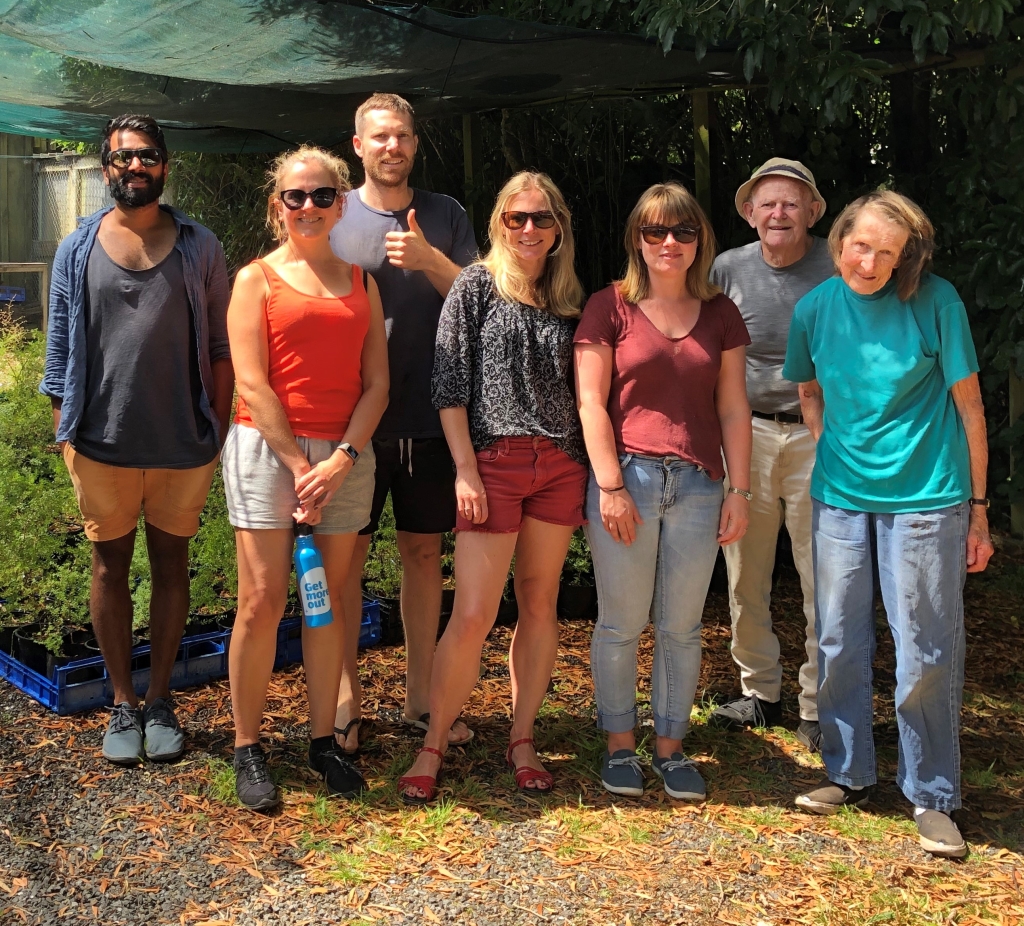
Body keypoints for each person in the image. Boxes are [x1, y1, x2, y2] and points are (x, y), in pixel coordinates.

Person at [783, 190, 994, 858]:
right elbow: (807, 388)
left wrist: (980, 512)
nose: (867, 260)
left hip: (929, 498)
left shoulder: (937, 302)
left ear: (906, 260)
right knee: (839, 637)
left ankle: (932, 794)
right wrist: (828, 440)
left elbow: (971, 410)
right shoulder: (814, 307)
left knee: (924, 649)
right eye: (858, 243)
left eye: (885, 252)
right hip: (840, 497)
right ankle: (847, 772)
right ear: (839, 236)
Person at [40, 114, 233, 766]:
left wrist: (219, 431)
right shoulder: (77, 247)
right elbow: (60, 346)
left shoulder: (200, 247)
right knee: (109, 567)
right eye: (122, 157)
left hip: (184, 443)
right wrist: (65, 430)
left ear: (164, 166)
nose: (134, 166)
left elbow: (219, 347)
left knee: (172, 568)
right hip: (101, 444)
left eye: (146, 156)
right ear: (106, 169)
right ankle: (121, 701)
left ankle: (160, 701)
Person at [397, 171, 587, 803]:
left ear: (558, 227)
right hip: (495, 463)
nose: (528, 229)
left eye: (540, 218)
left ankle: (523, 738)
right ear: (499, 224)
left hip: (559, 466)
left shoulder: (567, 297)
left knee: (539, 606)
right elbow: (447, 384)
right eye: (516, 218)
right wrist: (465, 470)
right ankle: (434, 740)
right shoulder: (475, 285)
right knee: (474, 612)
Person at [223, 146, 389, 810]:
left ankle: (323, 741)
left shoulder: (363, 282)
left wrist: (342, 458)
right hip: (269, 452)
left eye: (323, 196)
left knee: (327, 603)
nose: (310, 207)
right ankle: (247, 746)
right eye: (296, 197)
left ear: (340, 204)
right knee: (262, 602)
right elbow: (251, 381)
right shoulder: (254, 280)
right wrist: (299, 466)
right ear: (277, 207)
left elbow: (377, 383)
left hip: (346, 456)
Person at [575, 182, 752, 801]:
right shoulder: (610, 306)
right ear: (637, 241)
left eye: (682, 231)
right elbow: (591, 403)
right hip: (631, 478)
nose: (669, 243)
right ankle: (620, 746)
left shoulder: (720, 312)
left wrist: (740, 489)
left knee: (681, 627)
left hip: (702, 486)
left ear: (701, 240)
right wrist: (610, 485)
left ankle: (672, 748)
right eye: (655, 232)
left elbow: (733, 409)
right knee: (620, 624)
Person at [329, 93, 477, 755]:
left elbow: (481, 300)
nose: (393, 147)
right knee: (347, 561)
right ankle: (344, 704)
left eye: (404, 137)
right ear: (358, 146)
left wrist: (429, 260)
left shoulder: (446, 215)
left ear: (415, 144)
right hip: (350, 425)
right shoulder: (330, 212)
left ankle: (422, 698)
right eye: (380, 137)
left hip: (431, 416)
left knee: (423, 556)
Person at [709, 159, 834, 750]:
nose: (779, 213)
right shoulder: (727, 268)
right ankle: (760, 691)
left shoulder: (840, 263)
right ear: (750, 213)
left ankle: (819, 704)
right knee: (744, 572)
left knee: (824, 574)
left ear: (813, 211)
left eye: (792, 202)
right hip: (747, 435)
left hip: (823, 437)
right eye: (768, 203)